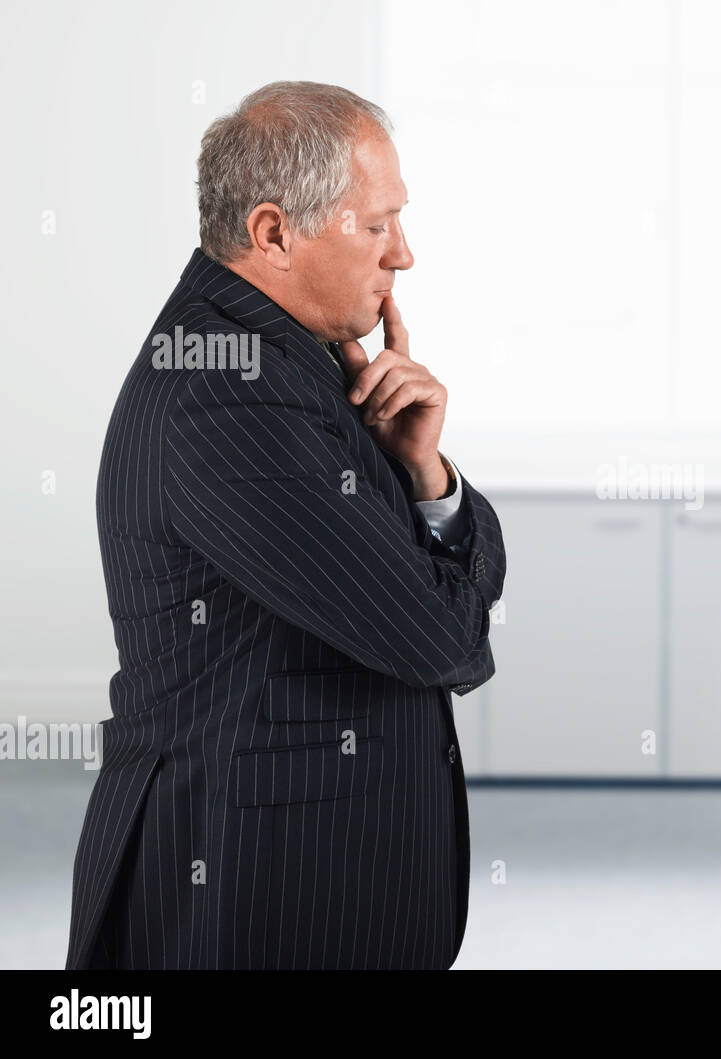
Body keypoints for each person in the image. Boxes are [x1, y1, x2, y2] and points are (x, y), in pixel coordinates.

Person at [65, 81, 506, 969]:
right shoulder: (230, 395)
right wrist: (440, 580)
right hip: (254, 894)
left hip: (297, 877)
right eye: (377, 226)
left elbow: (433, 587)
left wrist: (425, 472)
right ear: (273, 234)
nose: (405, 256)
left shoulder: (292, 359)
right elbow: (441, 639)